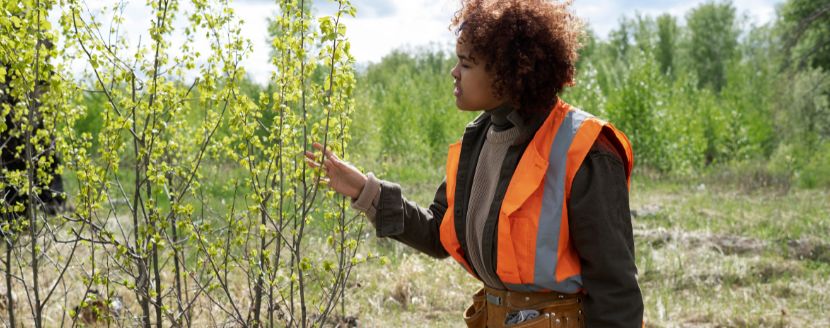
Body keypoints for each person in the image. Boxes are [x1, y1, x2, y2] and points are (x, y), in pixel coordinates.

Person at [304, 0, 643, 326]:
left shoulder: (586, 149)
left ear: (511, 73)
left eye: (466, 63)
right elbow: (440, 233)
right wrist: (365, 190)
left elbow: (615, 290)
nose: (454, 73)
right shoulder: (477, 140)